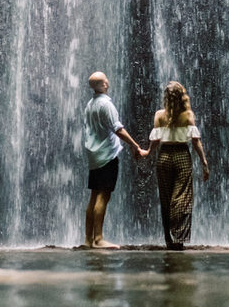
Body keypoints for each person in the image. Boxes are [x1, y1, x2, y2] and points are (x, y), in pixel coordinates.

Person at [82, 70, 146, 249]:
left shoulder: (89, 105)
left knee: (94, 195)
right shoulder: (106, 105)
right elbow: (118, 129)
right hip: (107, 154)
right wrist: (135, 145)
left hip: (94, 155)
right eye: (105, 81)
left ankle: (88, 239)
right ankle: (99, 239)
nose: (108, 83)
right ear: (102, 85)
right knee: (103, 195)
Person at [147, 81, 209, 250]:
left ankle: (169, 239)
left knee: (166, 198)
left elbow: (155, 141)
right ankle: (178, 238)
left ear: (165, 97)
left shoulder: (159, 115)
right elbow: (196, 142)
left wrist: (147, 152)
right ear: (182, 97)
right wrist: (204, 162)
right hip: (182, 155)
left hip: (164, 156)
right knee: (182, 198)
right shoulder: (188, 115)